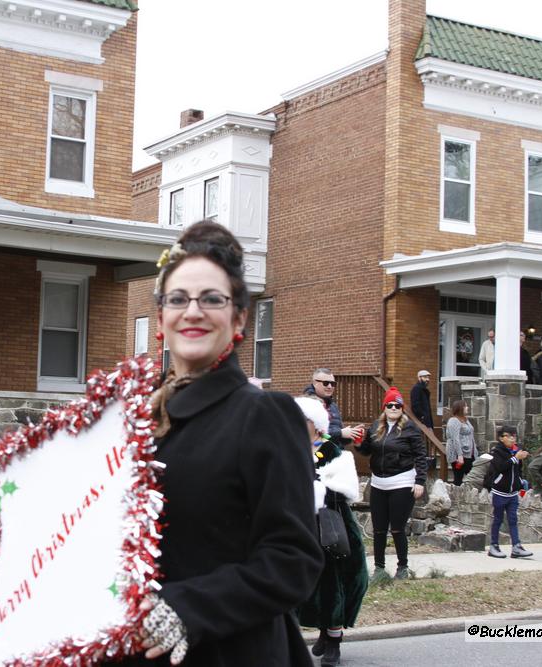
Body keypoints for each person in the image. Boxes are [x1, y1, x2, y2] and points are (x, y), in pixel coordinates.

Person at [37, 221, 320, 665]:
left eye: (211, 299)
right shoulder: (132, 420)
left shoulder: (262, 414)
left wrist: (185, 608)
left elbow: (292, 561)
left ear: (239, 316)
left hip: (223, 653)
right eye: (178, 299)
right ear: (162, 316)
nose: (193, 311)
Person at [294, 397, 367, 667]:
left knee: (331, 582)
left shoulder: (331, 450)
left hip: (328, 523)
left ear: (316, 425)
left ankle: (332, 638)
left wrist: (316, 487)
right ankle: (315, 631)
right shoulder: (288, 450)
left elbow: (345, 487)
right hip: (298, 524)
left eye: (305, 421)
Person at [355, 388, 427, 582]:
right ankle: (379, 569)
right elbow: (366, 451)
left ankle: (402, 567)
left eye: (397, 405)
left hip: (402, 481)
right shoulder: (376, 426)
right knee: (378, 529)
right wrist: (358, 442)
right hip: (379, 483)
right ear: (384, 407)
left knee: (397, 528)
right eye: (390, 405)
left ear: (402, 408)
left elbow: (421, 455)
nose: (394, 408)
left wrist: (420, 481)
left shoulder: (410, 428)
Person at [485, 425, 533, 559]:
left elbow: (519, 471)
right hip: (500, 492)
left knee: (513, 519)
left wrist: (520, 486)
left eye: (514, 436)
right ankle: (494, 546)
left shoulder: (517, 451)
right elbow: (500, 467)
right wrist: (515, 458)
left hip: (513, 493)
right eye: (509, 436)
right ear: (501, 438)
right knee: (498, 519)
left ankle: (516, 546)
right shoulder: (497, 451)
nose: (512, 439)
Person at [303, 368, 345, 444]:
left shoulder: (333, 405)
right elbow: (313, 434)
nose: (330, 386)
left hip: (333, 452)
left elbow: (339, 438)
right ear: (315, 383)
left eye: (333, 384)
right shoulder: (307, 405)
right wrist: (340, 433)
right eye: (325, 383)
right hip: (315, 453)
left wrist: (351, 435)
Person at [444, 400, 475, 486]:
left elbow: (471, 436)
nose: (467, 408)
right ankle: (456, 497)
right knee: (458, 478)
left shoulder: (465, 420)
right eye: (465, 406)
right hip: (459, 455)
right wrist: (460, 455)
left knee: (472, 477)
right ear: (460, 408)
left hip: (469, 453)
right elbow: (455, 438)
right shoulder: (453, 421)